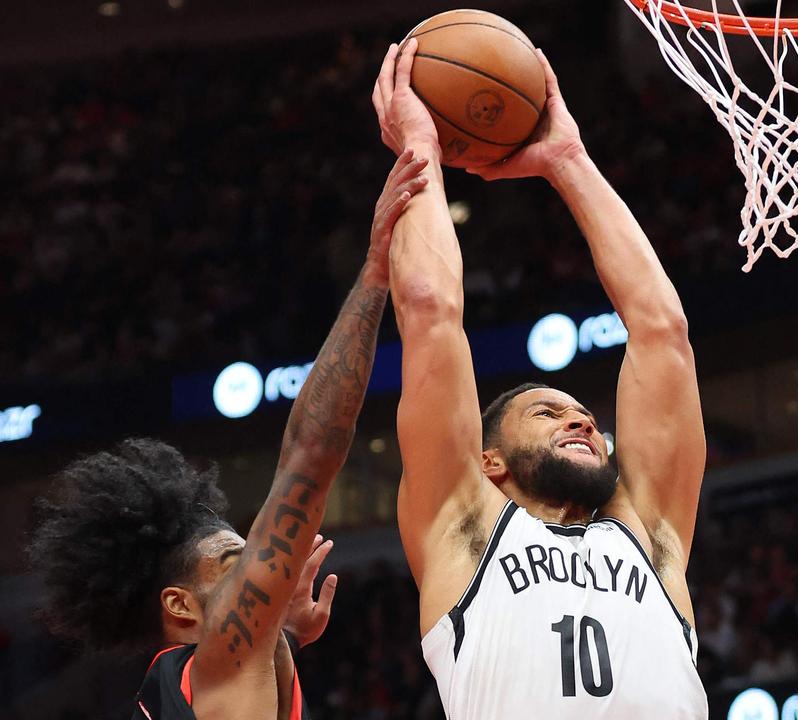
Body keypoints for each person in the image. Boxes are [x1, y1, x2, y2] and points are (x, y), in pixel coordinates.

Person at [26, 150, 432, 719]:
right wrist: (374, 272)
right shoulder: (215, 664)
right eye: (234, 562)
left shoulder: (187, 684)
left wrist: (283, 634)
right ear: (182, 606)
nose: (266, 566)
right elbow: (309, 455)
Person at [372, 38, 708, 718]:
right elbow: (432, 313)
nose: (583, 420)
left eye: (582, 414)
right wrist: (419, 149)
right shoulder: (462, 529)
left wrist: (568, 160)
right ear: (488, 460)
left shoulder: (649, 535)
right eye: (548, 414)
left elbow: (661, 332)